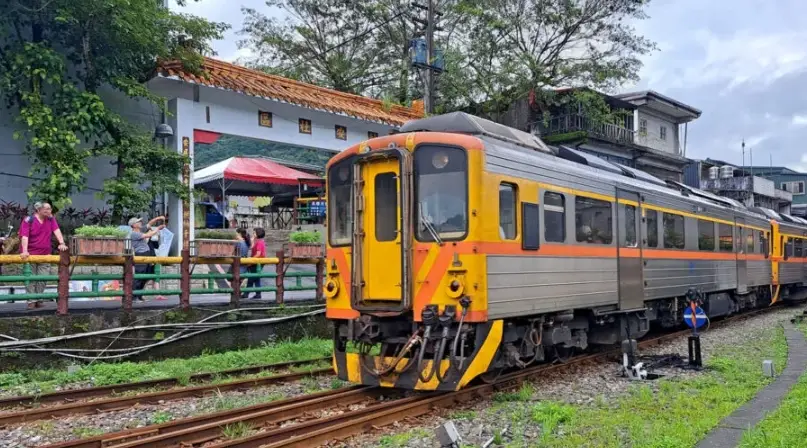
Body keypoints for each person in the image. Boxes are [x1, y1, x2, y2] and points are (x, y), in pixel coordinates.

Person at [20, 202, 68, 309]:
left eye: (49, 209)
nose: (48, 211)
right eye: (45, 209)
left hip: (45, 254)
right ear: (38, 210)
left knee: (43, 277)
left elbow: (57, 231)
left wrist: (62, 243)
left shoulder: (51, 219)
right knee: (31, 278)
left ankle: (39, 297)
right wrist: (24, 250)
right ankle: (31, 300)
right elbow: (24, 236)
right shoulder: (29, 220)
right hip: (30, 255)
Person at [129, 216, 165, 301]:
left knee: (145, 276)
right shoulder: (134, 233)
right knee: (139, 276)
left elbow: (149, 224)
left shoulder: (140, 230)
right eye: (138, 222)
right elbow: (149, 235)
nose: (141, 222)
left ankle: (139, 295)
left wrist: (157, 218)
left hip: (146, 254)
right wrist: (158, 228)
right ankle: (134, 297)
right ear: (134, 225)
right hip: (140, 255)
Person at [245, 228, 266, 299]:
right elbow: (251, 247)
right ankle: (257, 294)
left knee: (252, 278)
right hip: (256, 261)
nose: (253, 234)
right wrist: (252, 240)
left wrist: (251, 259)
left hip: (258, 262)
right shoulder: (257, 241)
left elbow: (258, 254)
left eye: (254, 233)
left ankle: (247, 293)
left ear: (258, 234)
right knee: (255, 278)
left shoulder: (260, 242)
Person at [234, 228, 250, 296]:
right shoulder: (246, 242)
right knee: (239, 281)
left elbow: (234, 252)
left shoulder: (238, 243)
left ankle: (236, 295)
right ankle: (238, 294)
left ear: (239, 234)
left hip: (238, 264)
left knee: (235, 280)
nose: (235, 235)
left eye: (236, 234)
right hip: (244, 264)